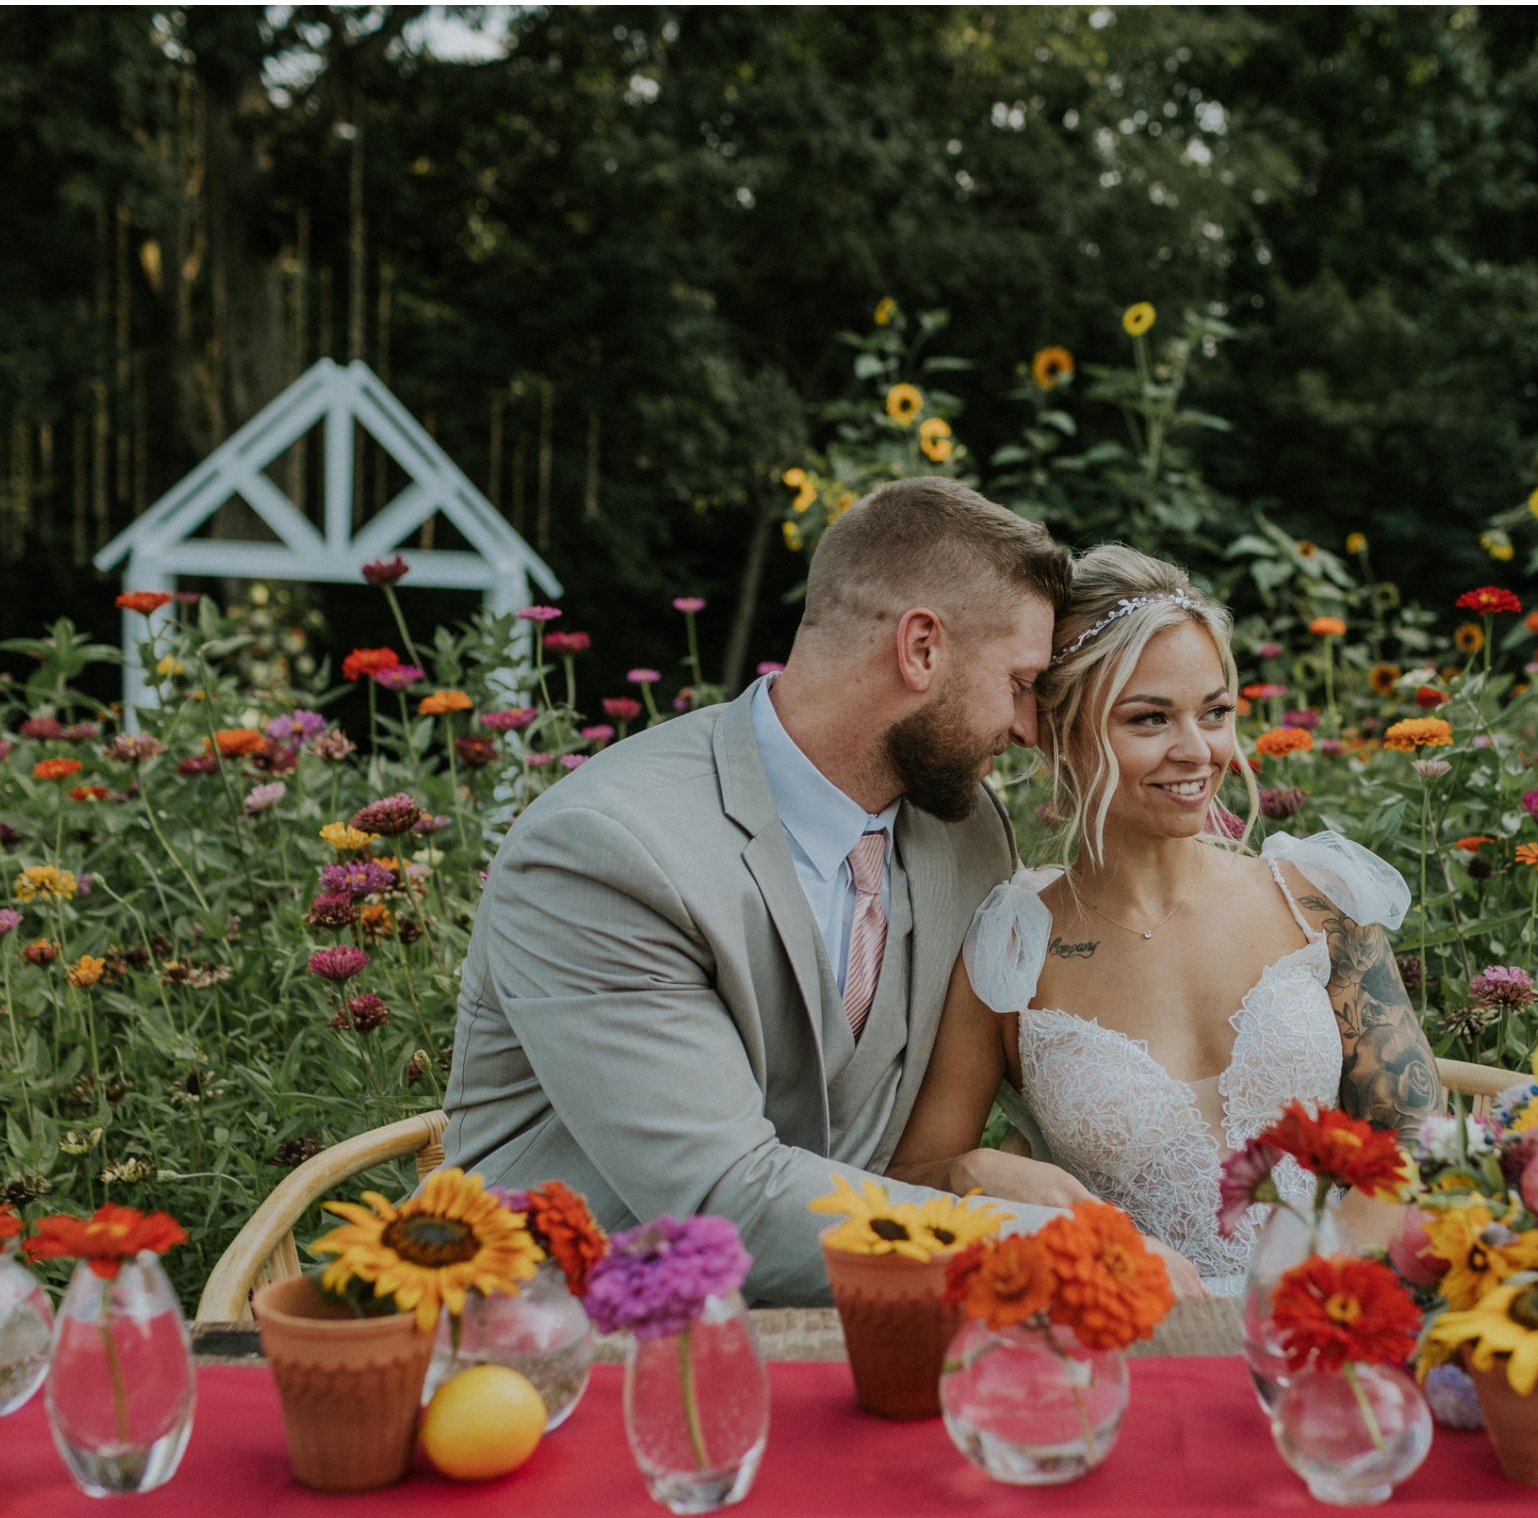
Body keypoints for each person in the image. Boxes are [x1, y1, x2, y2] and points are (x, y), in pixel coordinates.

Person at [441, 479, 1204, 1306]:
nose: (1028, 728)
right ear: (921, 648)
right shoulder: (607, 851)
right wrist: (1056, 1250)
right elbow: (723, 1199)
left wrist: (961, 1169)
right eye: (1020, 683)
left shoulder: (966, 833)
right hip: (556, 1350)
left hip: (860, 1345)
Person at [886, 544, 1444, 1293]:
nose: (1198, 751)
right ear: (1060, 732)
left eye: (1214, 713)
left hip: (1336, 1313)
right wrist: (973, 1168)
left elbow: (1416, 1137)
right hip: (1137, 1339)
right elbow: (909, 1181)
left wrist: (1308, 1292)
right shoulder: (1011, 948)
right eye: (1150, 718)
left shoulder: (1313, 898)